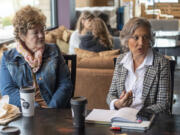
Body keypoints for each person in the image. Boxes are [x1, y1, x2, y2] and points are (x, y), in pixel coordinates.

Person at [0, 5, 73, 108]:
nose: (41, 35)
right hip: (25, 114)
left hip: (54, 111)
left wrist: (51, 109)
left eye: (42, 30)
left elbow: (65, 84)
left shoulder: (53, 51)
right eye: (35, 32)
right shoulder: (8, 58)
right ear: (22, 35)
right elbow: (8, 91)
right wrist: (33, 107)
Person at [106, 17, 171, 114]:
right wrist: (117, 103)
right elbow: (111, 94)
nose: (141, 43)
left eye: (145, 37)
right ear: (127, 39)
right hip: (122, 117)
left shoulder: (161, 63)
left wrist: (139, 114)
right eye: (136, 37)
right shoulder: (121, 60)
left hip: (147, 120)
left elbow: (163, 104)